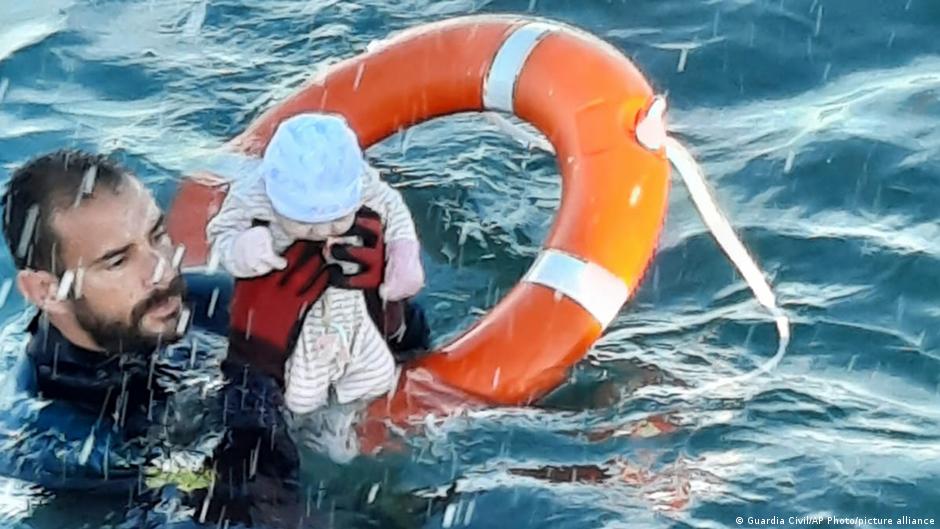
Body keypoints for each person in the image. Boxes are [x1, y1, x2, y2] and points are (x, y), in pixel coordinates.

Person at [0, 150, 435, 528]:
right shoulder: (56, 442)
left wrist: (380, 310)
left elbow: (397, 359)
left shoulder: (198, 304)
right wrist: (256, 364)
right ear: (44, 290)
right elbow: (248, 510)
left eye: (157, 235)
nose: (163, 271)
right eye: (116, 261)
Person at [206, 113, 426, 462]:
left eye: (337, 219)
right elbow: (222, 231)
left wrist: (404, 259)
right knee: (256, 411)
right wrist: (242, 247)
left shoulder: (366, 185)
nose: (324, 232)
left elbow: (396, 215)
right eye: (307, 223)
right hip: (275, 332)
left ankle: (355, 416)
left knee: (382, 356)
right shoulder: (253, 194)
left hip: (353, 309)